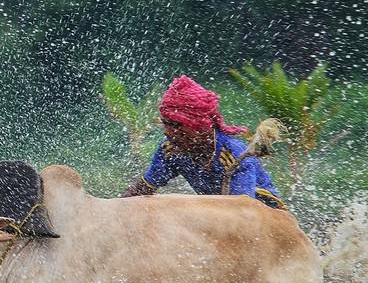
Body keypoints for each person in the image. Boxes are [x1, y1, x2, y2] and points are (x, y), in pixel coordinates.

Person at [121, 75, 285, 209]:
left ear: (199, 126)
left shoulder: (234, 156)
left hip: (267, 222)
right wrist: (112, 211)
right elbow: (143, 190)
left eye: (175, 125)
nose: (167, 131)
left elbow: (242, 212)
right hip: (221, 217)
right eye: (165, 123)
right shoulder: (169, 149)